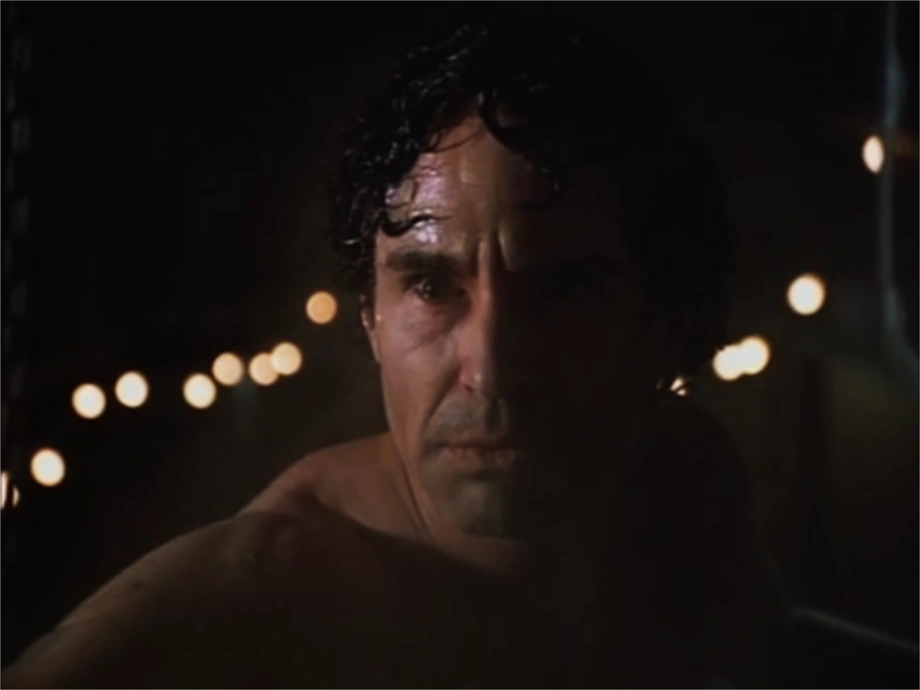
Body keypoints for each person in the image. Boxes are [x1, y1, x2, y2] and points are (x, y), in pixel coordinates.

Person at [2, 12, 768, 688]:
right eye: (431, 286)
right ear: (370, 316)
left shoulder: (685, 480)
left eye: (562, 291)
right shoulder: (242, 611)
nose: (491, 367)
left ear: (661, 326)